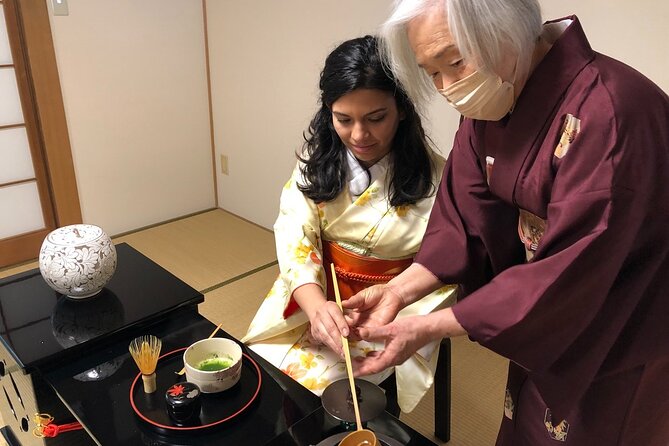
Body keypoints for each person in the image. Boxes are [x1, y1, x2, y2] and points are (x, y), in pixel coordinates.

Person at [341, 1, 669, 445]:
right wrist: (399, 291)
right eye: (432, 72)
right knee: (526, 425)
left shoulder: (611, 113)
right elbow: (467, 214)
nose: (448, 87)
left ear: (508, 30)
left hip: (620, 319)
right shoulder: (498, 95)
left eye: (455, 62)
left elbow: (574, 267)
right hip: (542, 313)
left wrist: (427, 327)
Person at [241, 35, 456, 413]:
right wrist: (314, 304)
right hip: (314, 288)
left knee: (334, 396)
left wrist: (401, 311)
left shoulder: (439, 178)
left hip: (392, 308)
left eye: (376, 118)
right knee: (261, 373)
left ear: (402, 109)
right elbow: (295, 228)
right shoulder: (318, 158)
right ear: (329, 112)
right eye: (344, 119)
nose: (359, 135)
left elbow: (445, 262)